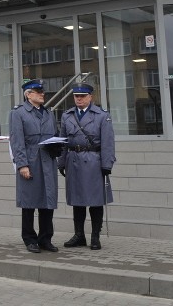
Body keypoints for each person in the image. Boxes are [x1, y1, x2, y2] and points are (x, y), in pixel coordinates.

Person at [58, 83, 116, 250]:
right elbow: (63, 141)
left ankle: (95, 236)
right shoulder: (67, 115)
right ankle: (79, 235)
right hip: (73, 160)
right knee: (78, 201)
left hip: (93, 161)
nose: (79, 99)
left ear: (90, 97)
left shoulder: (101, 115)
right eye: (76, 96)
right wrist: (61, 162)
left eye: (83, 96)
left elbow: (108, 142)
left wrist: (107, 164)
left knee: (96, 201)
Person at [9, 78, 61, 253]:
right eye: (38, 92)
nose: (42, 94)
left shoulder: (48, 113)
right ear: (28, 94)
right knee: (29, 202)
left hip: (48, 160)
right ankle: (30, 239)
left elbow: (54, 134)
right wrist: (22, 164)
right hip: (30, 161)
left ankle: (46, 238)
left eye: (42, 92)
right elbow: (17, 141)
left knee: (48, 201)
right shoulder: (18, 113)